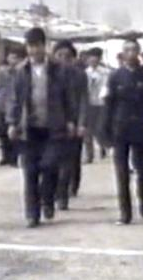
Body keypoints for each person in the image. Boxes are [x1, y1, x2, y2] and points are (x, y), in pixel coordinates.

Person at [8, 28, 77, 228]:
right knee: (30, 171)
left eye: (37, 46)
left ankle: (47, 199)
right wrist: (12, 122)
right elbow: (14, 99)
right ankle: (32, 213)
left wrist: (71, 120)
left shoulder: (58, 70)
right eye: (30, 46)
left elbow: (68, 97)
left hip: (53, 127)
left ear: (44, 46)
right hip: (29, 128)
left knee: (49, 166)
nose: (33, 50)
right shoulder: (21, 71)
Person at [102, 36, 143, 225]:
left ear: (139, 53)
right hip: (120, 128)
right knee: (121, 173)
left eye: (134, 50)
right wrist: (105, 131)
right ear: (122, 54)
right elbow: (109, 104)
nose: (130, 54)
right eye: (127, 50)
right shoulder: (115, 76)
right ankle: (125, 212)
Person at [52, 39, 87, 210]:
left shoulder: (79, 75)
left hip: (74, 124)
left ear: (73, 58)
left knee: (70, 161)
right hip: (53, 124)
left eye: (67, 56)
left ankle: (64, 193)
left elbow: (83, 100)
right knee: (52, 161)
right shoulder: (49, 74)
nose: (63, 59)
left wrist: (81, 123)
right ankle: (52, 192)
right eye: (59, 55)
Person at [0, 47, 25, 166]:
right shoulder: (3, 71)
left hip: (16, 105)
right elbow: (0, 87)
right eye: (11, 57)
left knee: (15, 132)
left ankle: (14, 157)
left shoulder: (22, 72)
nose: (13, 60)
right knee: (2, 132)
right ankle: (5, 155)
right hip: (3, 104)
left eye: (16, 58)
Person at [83, 47, 110, 163]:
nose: (93, 61)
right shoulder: (85, 73)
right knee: (88, 131)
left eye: (95, 59)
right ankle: (89, 155)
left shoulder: (106, 72)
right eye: (91, 59)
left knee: (100, 128)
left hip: (101, 103)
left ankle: (103, 147)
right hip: (89, 103)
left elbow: (107, 86)